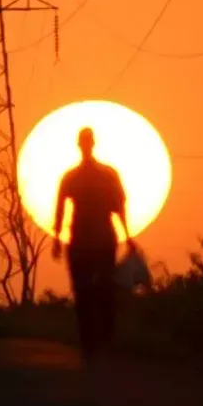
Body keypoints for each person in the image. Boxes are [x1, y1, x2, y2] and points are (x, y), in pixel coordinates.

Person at [52, 127, 134, 359]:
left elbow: (119, 207)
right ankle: (96, 340)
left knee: (97, 290)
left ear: (83, 144)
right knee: (90, 291)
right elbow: (61, 209)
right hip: (88, 240)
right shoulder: (98, 175)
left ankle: (98, 340)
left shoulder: (88, 176)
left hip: (94, 240)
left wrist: (127, 236)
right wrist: (57, 238)